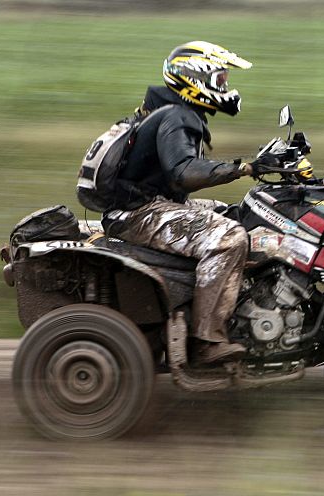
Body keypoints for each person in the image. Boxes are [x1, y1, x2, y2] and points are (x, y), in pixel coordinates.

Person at [101, 41, 257, 364]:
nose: (226, 87)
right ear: (195, 80)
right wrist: (243, 168)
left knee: (239, 214)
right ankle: (206, 338)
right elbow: (183, 172)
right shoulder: (177, 115)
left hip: (148, 205)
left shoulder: (170, 112)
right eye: (220, 80)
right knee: (229, 237)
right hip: (140, 212)